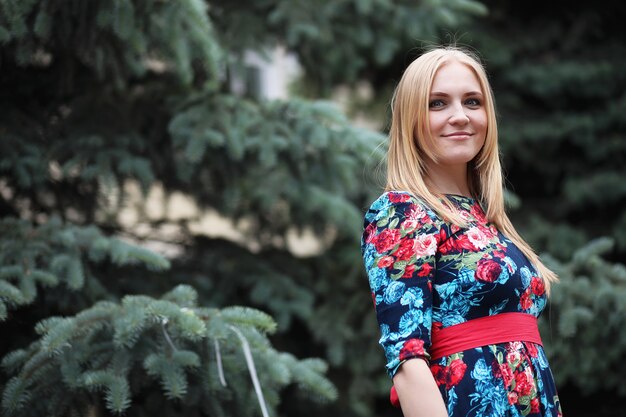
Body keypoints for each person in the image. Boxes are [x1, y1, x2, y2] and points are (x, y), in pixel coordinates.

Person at [360, 45, 563, 417]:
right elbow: (407, 362)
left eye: (472, 102)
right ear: (411, 119)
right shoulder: (402, 211)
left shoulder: (486, 219)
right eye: (437, 103)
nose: (460, 116)